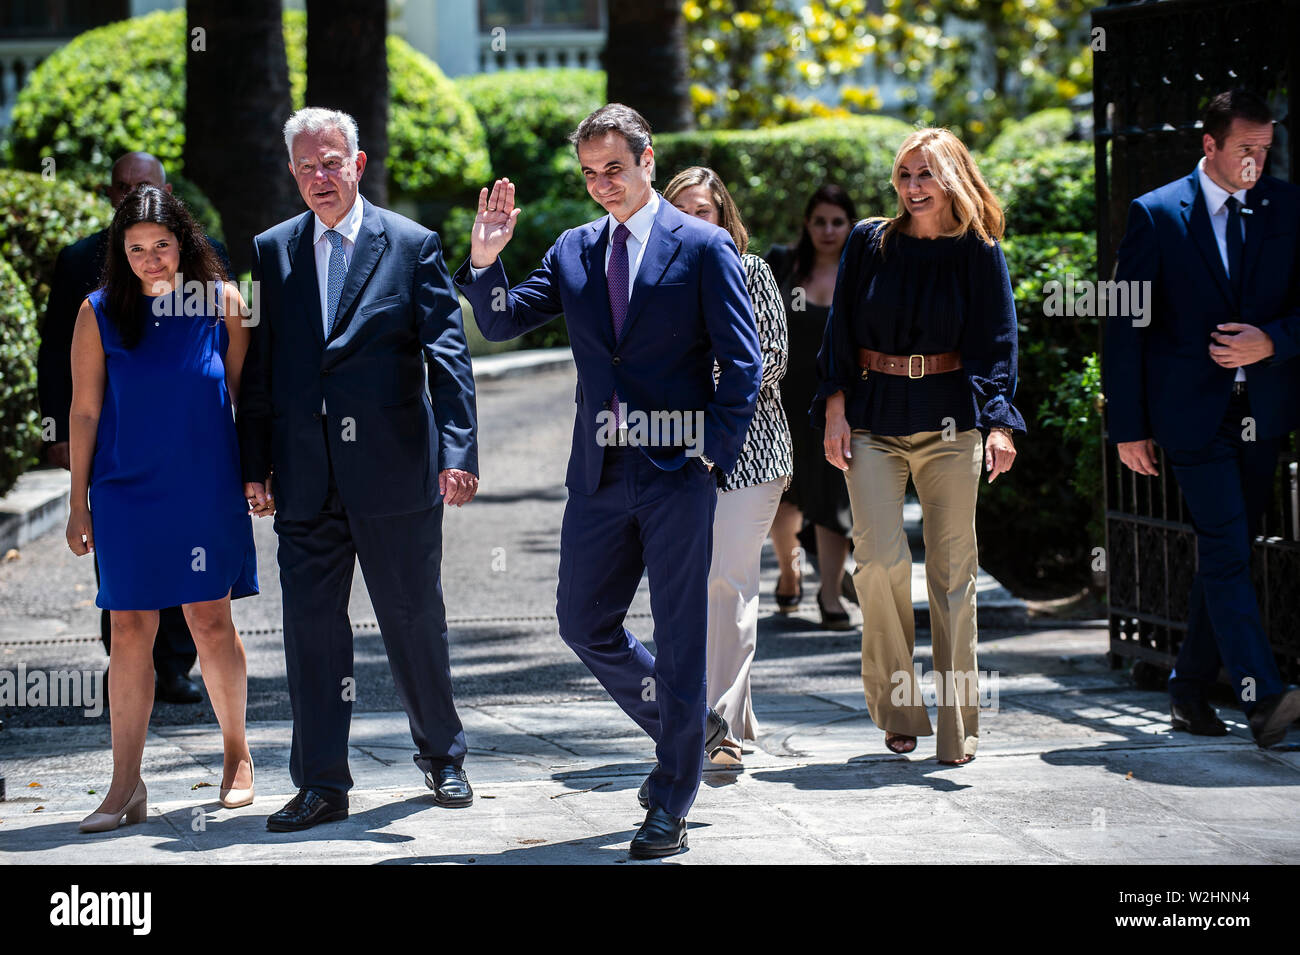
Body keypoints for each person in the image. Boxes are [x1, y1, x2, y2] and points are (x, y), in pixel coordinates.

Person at [455, 104, 761, 858]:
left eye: (613, 169)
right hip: (596, 473)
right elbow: (499, 324)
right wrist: (486, 260)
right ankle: (690, 727)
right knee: (582, 621)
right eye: (590, 173)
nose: (601, 185)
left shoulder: (704, 246)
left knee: (682, 636)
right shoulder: (573, 250)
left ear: (647, 159)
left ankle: (670, 799)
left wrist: (711, 454)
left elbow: (743, 363)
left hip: (675, 473)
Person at [237, 108, 480, 832]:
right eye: (306, 166)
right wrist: (255, 464)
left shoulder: (410, 245)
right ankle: (320, 782)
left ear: (358, 162)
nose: (320, 177)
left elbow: (448, 357)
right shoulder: (273, 251)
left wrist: (458, 452)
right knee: (311, 632)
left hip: (396, 471)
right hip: (304, 478)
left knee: (412, 619)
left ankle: (443, 756)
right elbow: (262, 371)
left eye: (331, 162)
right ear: (292, 172)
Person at [818, 128, 1023, 765]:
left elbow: (997, 341)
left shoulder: (978, 250)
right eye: (904, 175)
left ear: (953, 178)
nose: (912, 187)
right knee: (878, 564)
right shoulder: (867, 242)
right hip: (874, 419)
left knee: (953, 576)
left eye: (925, 175)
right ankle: (900, 708)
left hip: (951, 424)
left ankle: (958, 728)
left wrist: (999, 423)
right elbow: (840, 327)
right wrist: (834, 407)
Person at [1105, 88, 1300, 746]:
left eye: (1266, 150)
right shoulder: (1156, 214)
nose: (1258, 162)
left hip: (1262, 409)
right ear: (1209, 144)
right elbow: (1124, 324)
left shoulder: (1286, 206)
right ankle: (1263, 697)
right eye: (1246, 149)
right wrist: (1128, 425)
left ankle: (1189, 689)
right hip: (1191, 417)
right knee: (1223, 543)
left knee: (1231, 549)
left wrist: (1272, 340)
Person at [65, 185, 257, 831]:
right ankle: (125, 786)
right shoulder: (98, 312)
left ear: (185, 243)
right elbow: (85, 410)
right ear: (121, 254)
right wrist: (78, 504)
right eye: (136, 248)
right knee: (128, 629)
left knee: (209, 619)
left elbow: (244, 400)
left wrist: (260, 475)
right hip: (124, 492)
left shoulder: (225, 303)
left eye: (162, 245)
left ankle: (237, 757)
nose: (151, 258)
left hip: (206, 486)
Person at [39, 152, 230, 704]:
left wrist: (254, 464)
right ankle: (128, 667)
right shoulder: (81, 263)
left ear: (167, 192)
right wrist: (59, 436)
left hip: (195, 462)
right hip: (121, 458)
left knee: (199, 590)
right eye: (122, 187)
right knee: (125, 583)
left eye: (142, 186)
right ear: (109, 194)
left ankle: (174, 666)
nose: (131, 196)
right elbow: (59, 357)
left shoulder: (210, 264)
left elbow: (241, 379)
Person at [664, 166, 791, 767]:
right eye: (682, 210)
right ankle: (724, 716)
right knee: (692, 588)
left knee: (728, 581)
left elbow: (769, 364)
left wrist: (693, 400)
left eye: (704, 211)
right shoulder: (656, 277)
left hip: (752, 448)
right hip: (676, 455)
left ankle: (720, 732)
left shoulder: (753, 272)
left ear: (724, 218)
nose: (693, 221)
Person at [765, 186, 858, 629]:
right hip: (781, 395)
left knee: (834, 492)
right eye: (819, 220)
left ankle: (830, 594)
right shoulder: (782, 264)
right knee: (784, 491)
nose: (827, 230)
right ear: (807, 222)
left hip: (839, 399)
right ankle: (789, 572)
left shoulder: (860, 272)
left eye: (837, 222)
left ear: (849, 225)